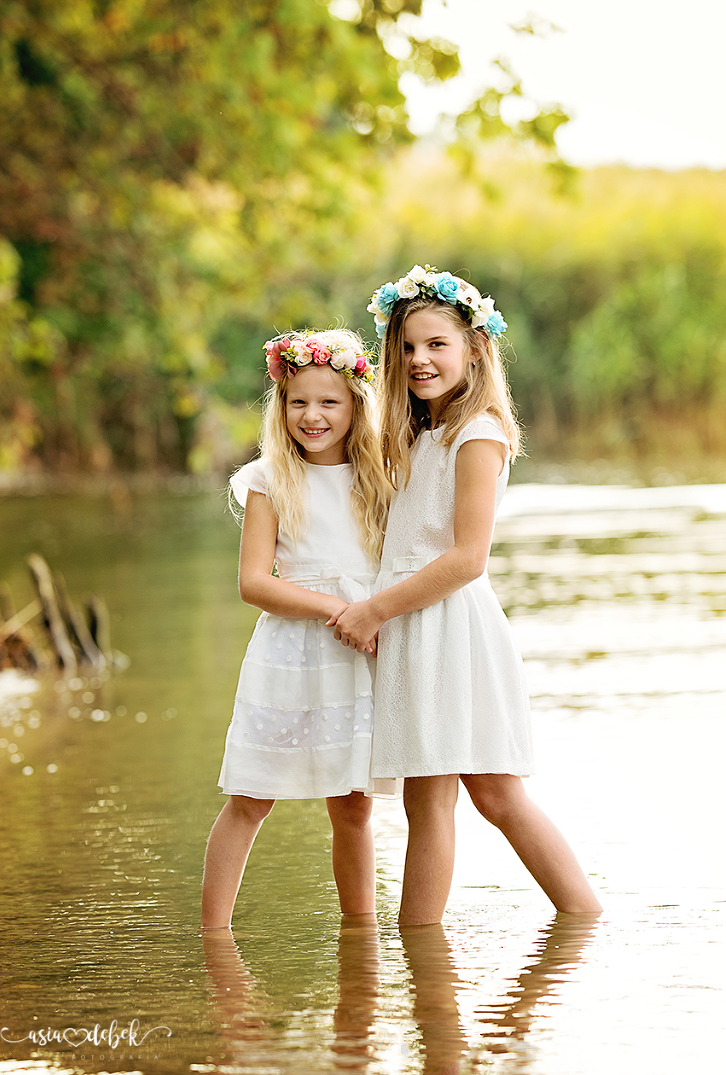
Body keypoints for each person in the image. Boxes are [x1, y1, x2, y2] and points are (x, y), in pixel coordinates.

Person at [329, 266, 602, 925]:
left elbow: (466, 558)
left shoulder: (477, 432)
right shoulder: (420, 434)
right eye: (406, 347)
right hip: (415, 625)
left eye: (436, 344)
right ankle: (423, 950)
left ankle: (582, 918)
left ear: (475, 349)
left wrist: (374, 610)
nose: (418, 359)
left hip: (449, 626)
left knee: (495, 794)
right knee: (430, 801)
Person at [202, 328, 395, 930]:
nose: (312, 416)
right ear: (280, 407)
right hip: (291, 653)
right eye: (298, 402)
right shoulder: (269, 479)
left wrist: (369, 615)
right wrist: (335, 609)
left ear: (355, 405)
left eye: (329, 402)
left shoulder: (381, 477)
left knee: (354, 808)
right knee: (250, 797)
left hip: (359, 654)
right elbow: (254, 583)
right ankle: (213, 937)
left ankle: (360, 941)